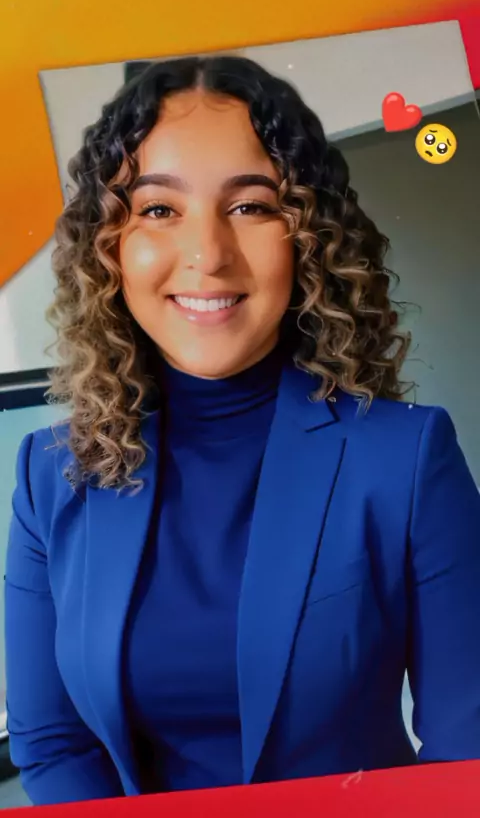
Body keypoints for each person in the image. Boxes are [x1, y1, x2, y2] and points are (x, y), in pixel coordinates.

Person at [5, 55, 480, 807]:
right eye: (159, 209)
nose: (208, 255)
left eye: (251, 206)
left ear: (308, 238)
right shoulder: (48, 474)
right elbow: (53, 741)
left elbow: (467, 751)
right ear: (109, 246)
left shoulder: (408, 459)